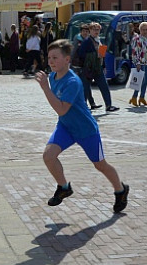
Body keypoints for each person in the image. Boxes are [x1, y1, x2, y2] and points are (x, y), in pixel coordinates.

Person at [37, 39, 129, 213]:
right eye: (49, 58)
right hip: (65, 127)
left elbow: (62, 109)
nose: (51, 61)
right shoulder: (52, 77)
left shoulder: (73, 82)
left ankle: (121, 190)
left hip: (86, 130)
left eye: (55, 57)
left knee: (100, 165)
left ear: (67, 60)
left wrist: (45, 89)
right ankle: (64, 187)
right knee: (48, 156)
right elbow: (62, 114)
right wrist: (47, 87)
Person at [128, 21, 147, 107]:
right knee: (139, 81)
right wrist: (137, 63)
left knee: (146, 80)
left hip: (146, 62)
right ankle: (134, 97)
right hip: (140, 62)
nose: (145, 31)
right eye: (143, 29)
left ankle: (142, 97)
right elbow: (135, 52)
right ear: (140, 30)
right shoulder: (137, 39)